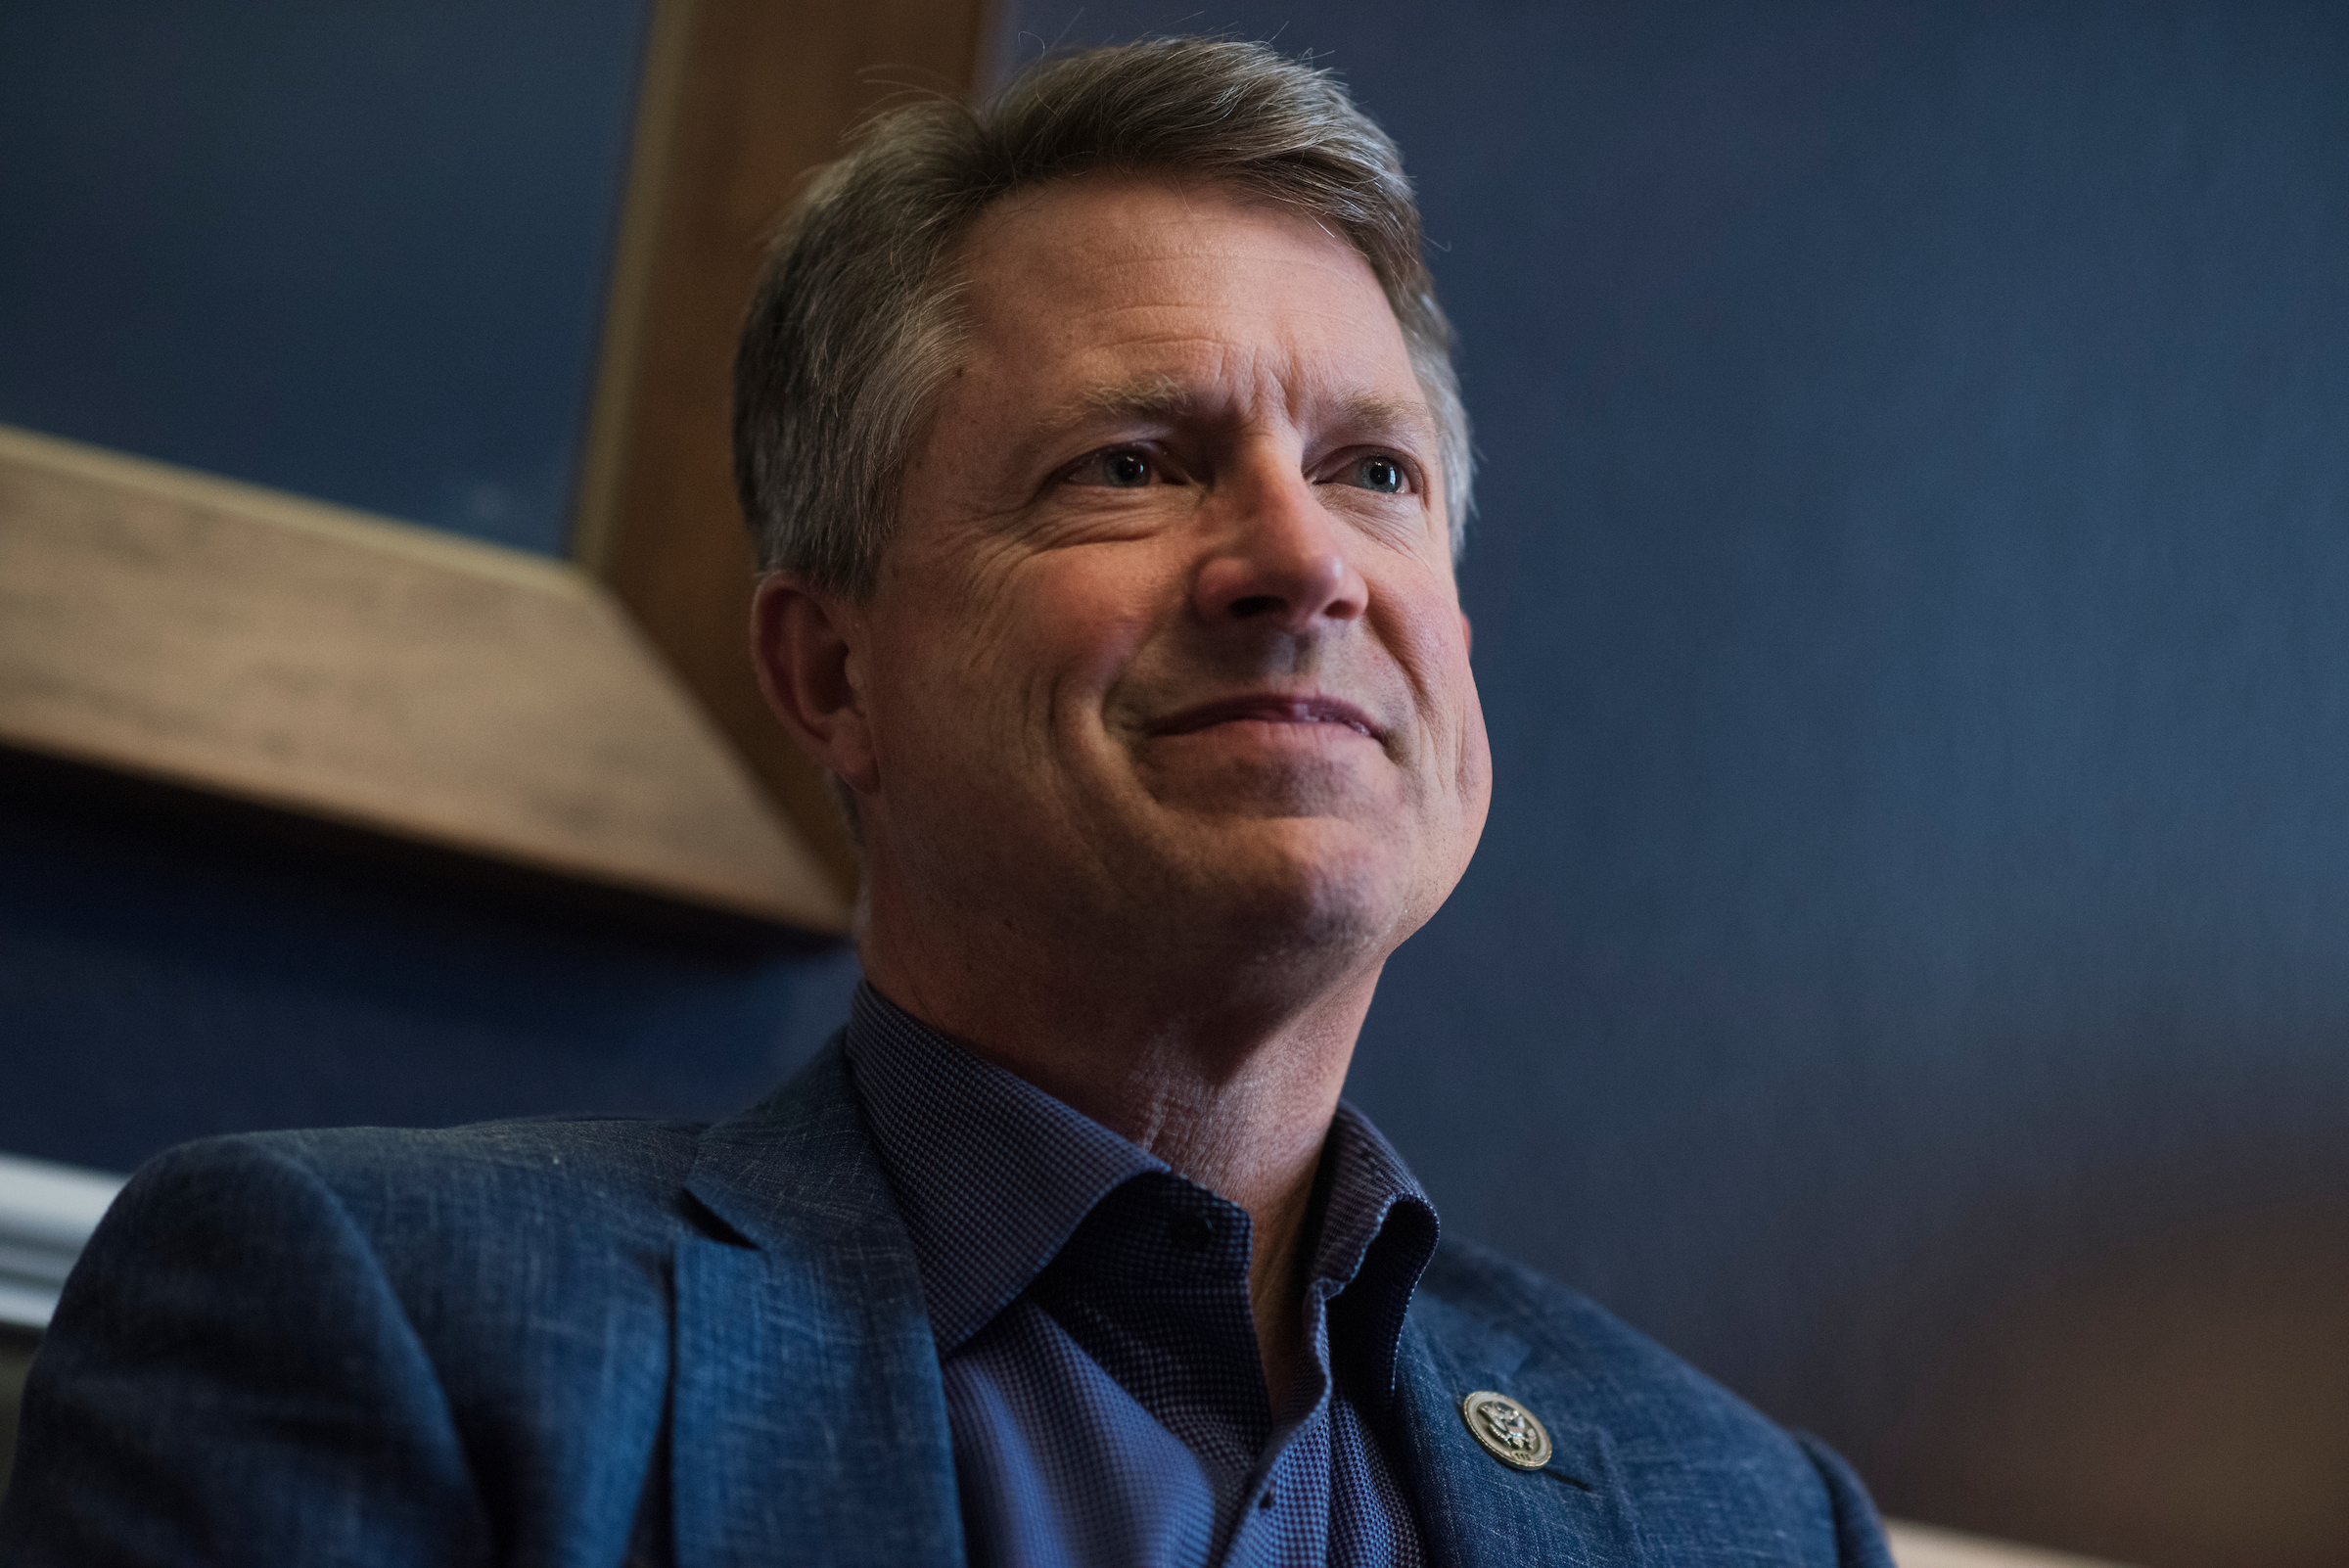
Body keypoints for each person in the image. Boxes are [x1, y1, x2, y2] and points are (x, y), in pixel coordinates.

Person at [0, 39, 1894, 1568]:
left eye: (1373, 469)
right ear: (836, 674)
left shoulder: (1749, 1519)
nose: (1303, 560)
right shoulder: (374, 1321)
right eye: (1132, 462)